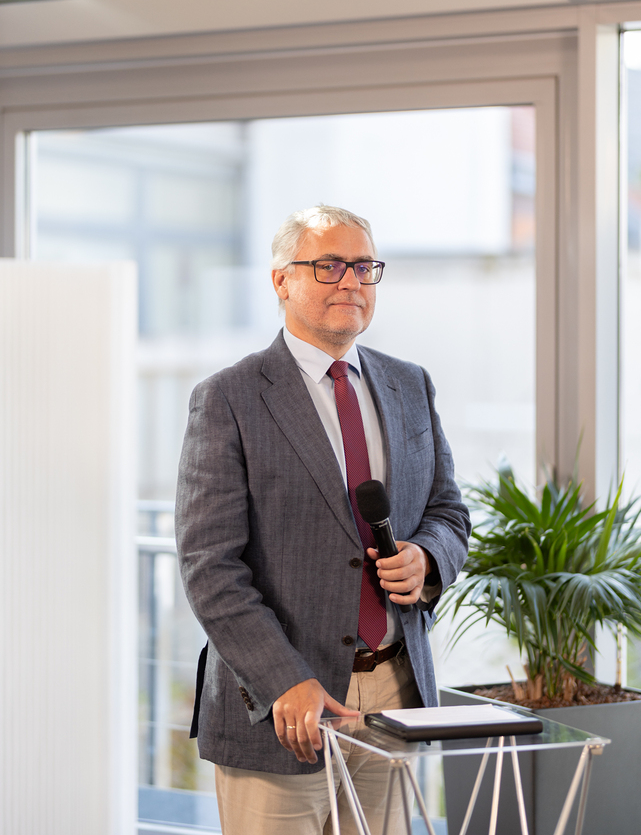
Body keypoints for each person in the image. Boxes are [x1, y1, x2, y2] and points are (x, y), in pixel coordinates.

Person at [175, 205, 470, 835]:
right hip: (283, 705)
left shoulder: (410, 385)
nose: (351, 281)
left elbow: (448, 511)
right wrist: (285, 681)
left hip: (396, 693)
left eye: (364, 266)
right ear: (281, 280)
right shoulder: (228, 398)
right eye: (329, 265)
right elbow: (210, 568)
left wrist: (427, 557)